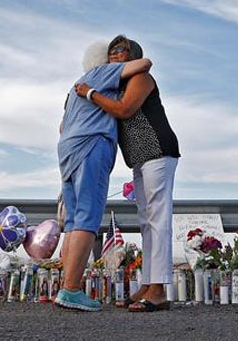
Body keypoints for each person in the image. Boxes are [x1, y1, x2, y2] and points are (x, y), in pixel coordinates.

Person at [76, 35, 180, 312]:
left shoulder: (142, 78)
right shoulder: (116, 83)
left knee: (157, 219)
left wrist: (89, 93)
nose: (114, 54)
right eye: (111, 51)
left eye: (121, 50)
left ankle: (158, 290)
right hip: (141, 158)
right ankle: (148, 284)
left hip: (158, 150)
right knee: (147, 221)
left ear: (133, 54)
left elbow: (125, 110)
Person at [54, 42, 152, 312]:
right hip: (91, 146)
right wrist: (119, 67)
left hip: (68, 150)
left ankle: (66, 286)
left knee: (73, 220)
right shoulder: (100, 74)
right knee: (88, 217)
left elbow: (62, 126)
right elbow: (145, 64)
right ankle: (72, 290)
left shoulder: (75, 86)